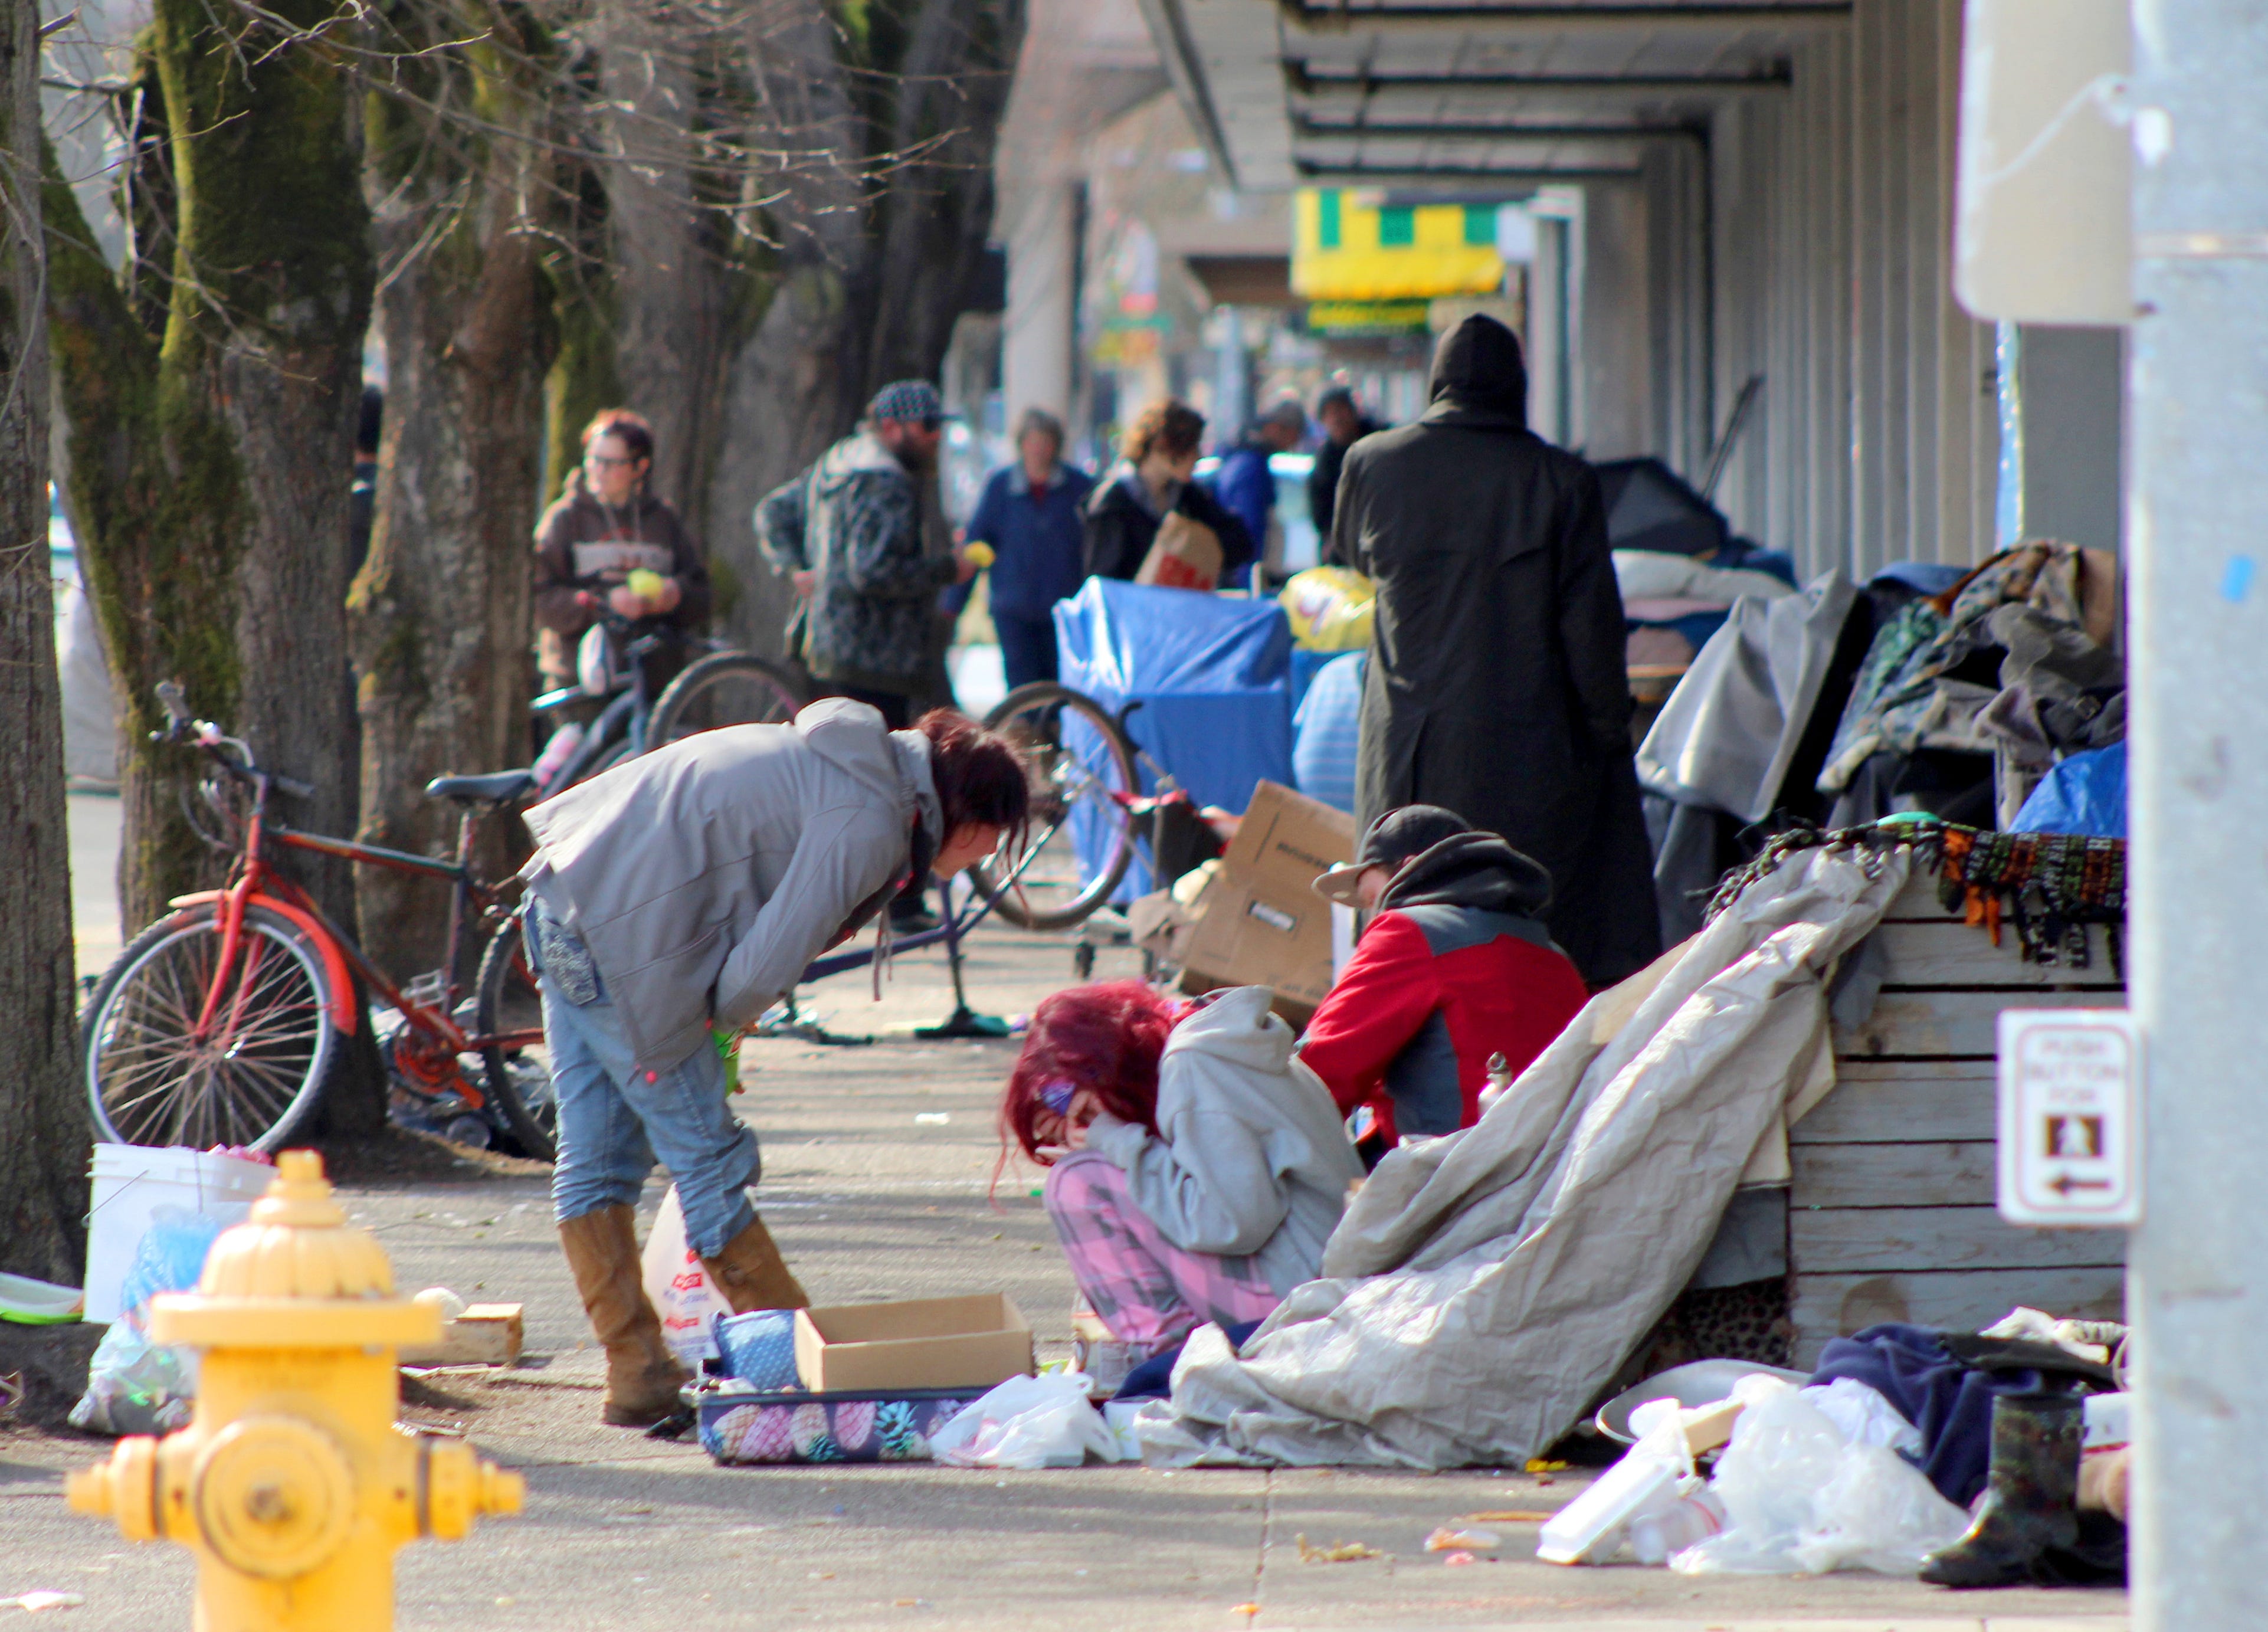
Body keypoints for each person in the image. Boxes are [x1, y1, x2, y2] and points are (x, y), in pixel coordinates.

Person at [523, 699, 1028, 1425]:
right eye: (990, 843)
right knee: (707, 1157)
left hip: (565, 894)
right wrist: (719, 1027)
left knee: (596, 1161)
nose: (982, 859)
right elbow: (764, 967)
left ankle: (637, 1376)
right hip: (623, 936)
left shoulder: (862, 767)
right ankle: (805, 1371)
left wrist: (718, 1020)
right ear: (970, 818)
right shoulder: (871, 818)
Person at [1332, 314, 1661, 988]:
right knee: (1528, 943)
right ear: (1518, 386)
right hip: (1527, 762)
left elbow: (1353, 560)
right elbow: (1591, 636)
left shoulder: (1371, 464)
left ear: (1436, 383)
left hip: (1406, 763)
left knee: (1408, 938)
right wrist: (1607, 737)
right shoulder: (1561, 481)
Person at [999, 981, 1361, 1354]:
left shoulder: (1193, 1065)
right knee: (1104, 1171)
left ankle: (1171, 1365)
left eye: (1069, 1105)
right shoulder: (1212, 1049)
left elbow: (1232, 1223)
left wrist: (1116, 1141)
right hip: (1321, 1278)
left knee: (1076, 1181)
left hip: (1304, 1300)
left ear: (1098, 1065)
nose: (1079, 1127)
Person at [756, 379, 985, 929]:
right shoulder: (887, 483)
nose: (934, 438)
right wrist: (945, 571)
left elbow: (772, 512)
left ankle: (829, 900)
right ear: (891, 428)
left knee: (837, 781)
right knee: (899, 783)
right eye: (926, 428)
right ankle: (902, 906)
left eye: (938, 426)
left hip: (824, 647)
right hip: (877, 658)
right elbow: (872, 571)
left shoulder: (836, 465)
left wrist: (794, 567)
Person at [1300, 805, 1590, 1156]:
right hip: (1555, 1175)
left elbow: (1319, 1072)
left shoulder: (1408, 931)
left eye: (1372, 900)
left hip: (1446, 1182)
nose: (1374, 916)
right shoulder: (1555, 956)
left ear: (1407, 868)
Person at [533, 408, 711, 689]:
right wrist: (604, 603)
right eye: (592, 459)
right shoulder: (565, 518)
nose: (597, 470)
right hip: (581, 682)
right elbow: (539, 599)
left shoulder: (663, 519)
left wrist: (675, 595)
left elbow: (701, 593)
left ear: (639, 468)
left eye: (610, 462)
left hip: (657, 682)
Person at [962, 408, 1094, 689]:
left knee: (1061, 687)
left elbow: (1096, 545)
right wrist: (955, 599)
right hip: (1013, 608)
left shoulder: (1079, 487)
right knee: (1022, 689)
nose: (1039, 450)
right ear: (1021, 444)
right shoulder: (1000, 487)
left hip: (1064, 608)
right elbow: (978, 542)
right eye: (1033, 442)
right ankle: (1026, 732)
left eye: (1046, 442)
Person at [1082, 399, 1256, 585]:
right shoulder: (1114, 501)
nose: (1197, 457)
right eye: (1191, 447)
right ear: (1163, 445)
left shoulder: (1188, 497)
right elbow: (1102, 582)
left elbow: (1240, 544)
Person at [1209, 398, 1307, 580]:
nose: (1292, 443)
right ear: (1275, 427)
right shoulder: (1252, 468)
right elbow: (1250, 530)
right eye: (1293, 434)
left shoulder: (1240, 460)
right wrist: (1251, 584)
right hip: (1243, 578)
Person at [1308, 385, 1379, 551]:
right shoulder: (1324, 462)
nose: (1336, 418)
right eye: (1328, 413)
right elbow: (1321, 516)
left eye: (1341, 410)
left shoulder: (1379, 443)